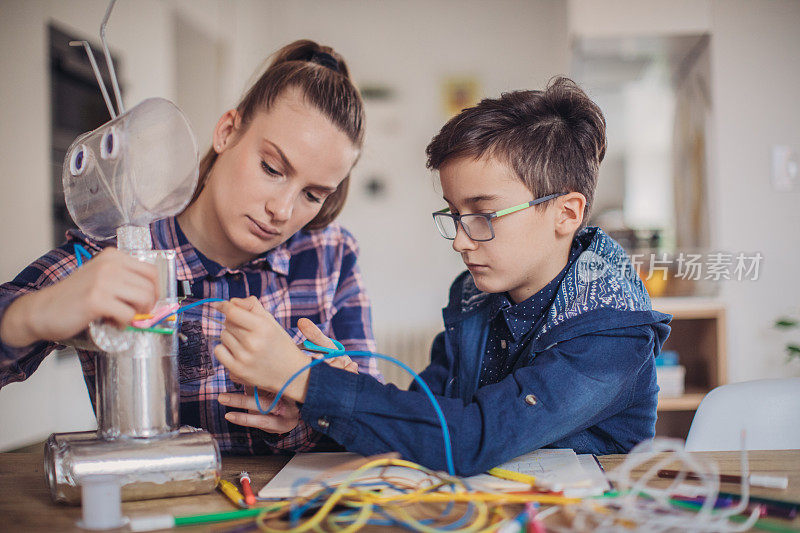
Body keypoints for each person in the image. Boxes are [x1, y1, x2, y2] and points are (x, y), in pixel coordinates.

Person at [213, 77, 672, 475]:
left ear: (566, 213)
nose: (460, 241)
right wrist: (330, 390)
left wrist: (307, 381)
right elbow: (425, 421)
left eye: (484, 214)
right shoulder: (474, 297)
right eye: (455, 215)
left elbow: (470, 438)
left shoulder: (612, 332)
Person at [0, 40, 381, 455]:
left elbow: (376, 420)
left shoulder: (330, 255)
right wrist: (32, 316)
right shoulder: (120, 251)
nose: (281, 210)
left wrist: (315, 406)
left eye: (313, 195)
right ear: (227, 132)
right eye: (272, 168)